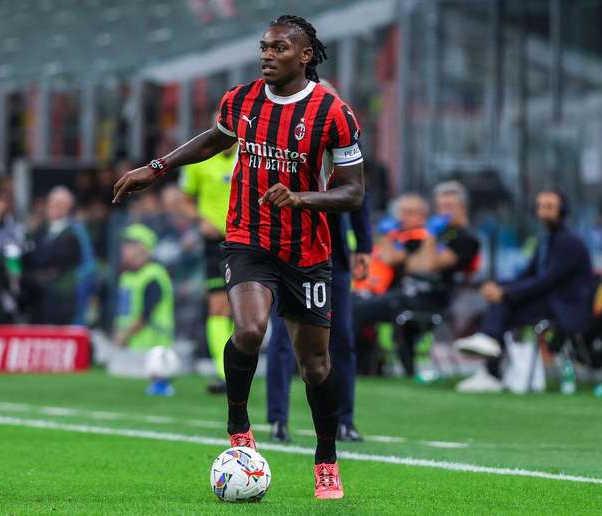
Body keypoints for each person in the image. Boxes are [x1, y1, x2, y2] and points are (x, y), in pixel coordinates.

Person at [113, 15, 364, 499]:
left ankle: (327, 459)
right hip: (249, 238)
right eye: (264, 47)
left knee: (315, 365)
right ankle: (238, 423)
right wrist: (157, 166)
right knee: (250, 329)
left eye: (280, 49)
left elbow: (353, 193)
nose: (267, 55)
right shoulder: (242, 99)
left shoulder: (334, 113)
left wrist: (302, 198)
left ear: (305, 55)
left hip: (307, 251)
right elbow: (215, 139)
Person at [266, 79, 372, 444]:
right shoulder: (281, 138)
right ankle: (278, 419)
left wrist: (365, 247)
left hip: (332, 251)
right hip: (288, 248)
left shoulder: (342, 134)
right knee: (282, 338)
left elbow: (358, 194)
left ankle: (345, 418)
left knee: (340, 336)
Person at [454, 189, 593, 393]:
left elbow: (546, 281)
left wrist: (506, 293)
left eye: (549, 207)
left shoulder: (569, 242)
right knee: (502, 300)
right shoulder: (546, 240)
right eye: (540, 207)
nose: (543, 212)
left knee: (505, 302)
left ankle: (490, 354)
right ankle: (490, 363)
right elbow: (527, 275)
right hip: (547, 302)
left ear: (562, 210)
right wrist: (498, 287)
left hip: (564, 308)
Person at [353, 183, 480, 376]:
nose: (443, 212)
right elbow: (410, 264)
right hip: (406, 293)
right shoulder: (437, 234)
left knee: (358, 309)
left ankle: (360, 368)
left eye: (449, 206)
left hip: (431, 298)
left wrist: (429, 237)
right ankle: (364, 365)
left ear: (463, 208)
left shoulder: (466, 239)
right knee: (352, 301)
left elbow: (426, 265)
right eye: (440, 206)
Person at [179, 144, 237, 394]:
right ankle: (225, 373)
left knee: (241, 307)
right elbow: (185, 199)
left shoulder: (249, 155)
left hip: (245, 239)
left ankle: (237, 368)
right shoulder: (200, 160)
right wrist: (201, 221)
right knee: (218, 306)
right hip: (214, 243)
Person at [114, 224, 175, 395]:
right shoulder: (127, 276)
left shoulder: (154, 275)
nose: (123, 250)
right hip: (132, 345)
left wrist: (124, 335)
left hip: (155, 348)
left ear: (142, 248)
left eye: (128, 245)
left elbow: (146, 314)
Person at [22, 186, 95, 325]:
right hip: (38, 298)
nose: (54, 208)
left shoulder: (75, 232)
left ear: (68, 207)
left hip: (61, 297)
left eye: (59, 204)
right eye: (52, 203)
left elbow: (83, 265)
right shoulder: (39, 230)